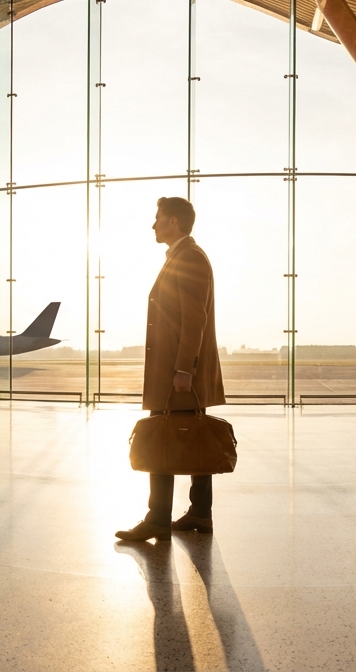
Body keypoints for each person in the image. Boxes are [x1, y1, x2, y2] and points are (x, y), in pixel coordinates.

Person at [117, 196, 226, 543]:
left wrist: (183, 369)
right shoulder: (184, 256)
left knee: (161, 437)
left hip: (176, 372)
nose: (154, 225)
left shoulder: (189, 257)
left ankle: (158, 518)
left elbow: (195, 318)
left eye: (158, 218)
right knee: (194, 436)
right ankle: (199, 513)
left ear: (174, 222)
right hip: (180, 369)